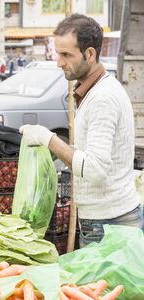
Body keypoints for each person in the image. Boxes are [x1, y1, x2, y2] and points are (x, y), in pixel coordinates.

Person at [19, 14, 144, 247]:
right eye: (58, 53)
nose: (59, 62)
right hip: (107, 220)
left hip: (110, 224)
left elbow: (95, 168)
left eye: (66, 54)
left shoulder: (102, 98)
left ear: (89, 54)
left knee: (105, 285)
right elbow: (92, 154)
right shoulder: (94, 91)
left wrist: (49, 139)